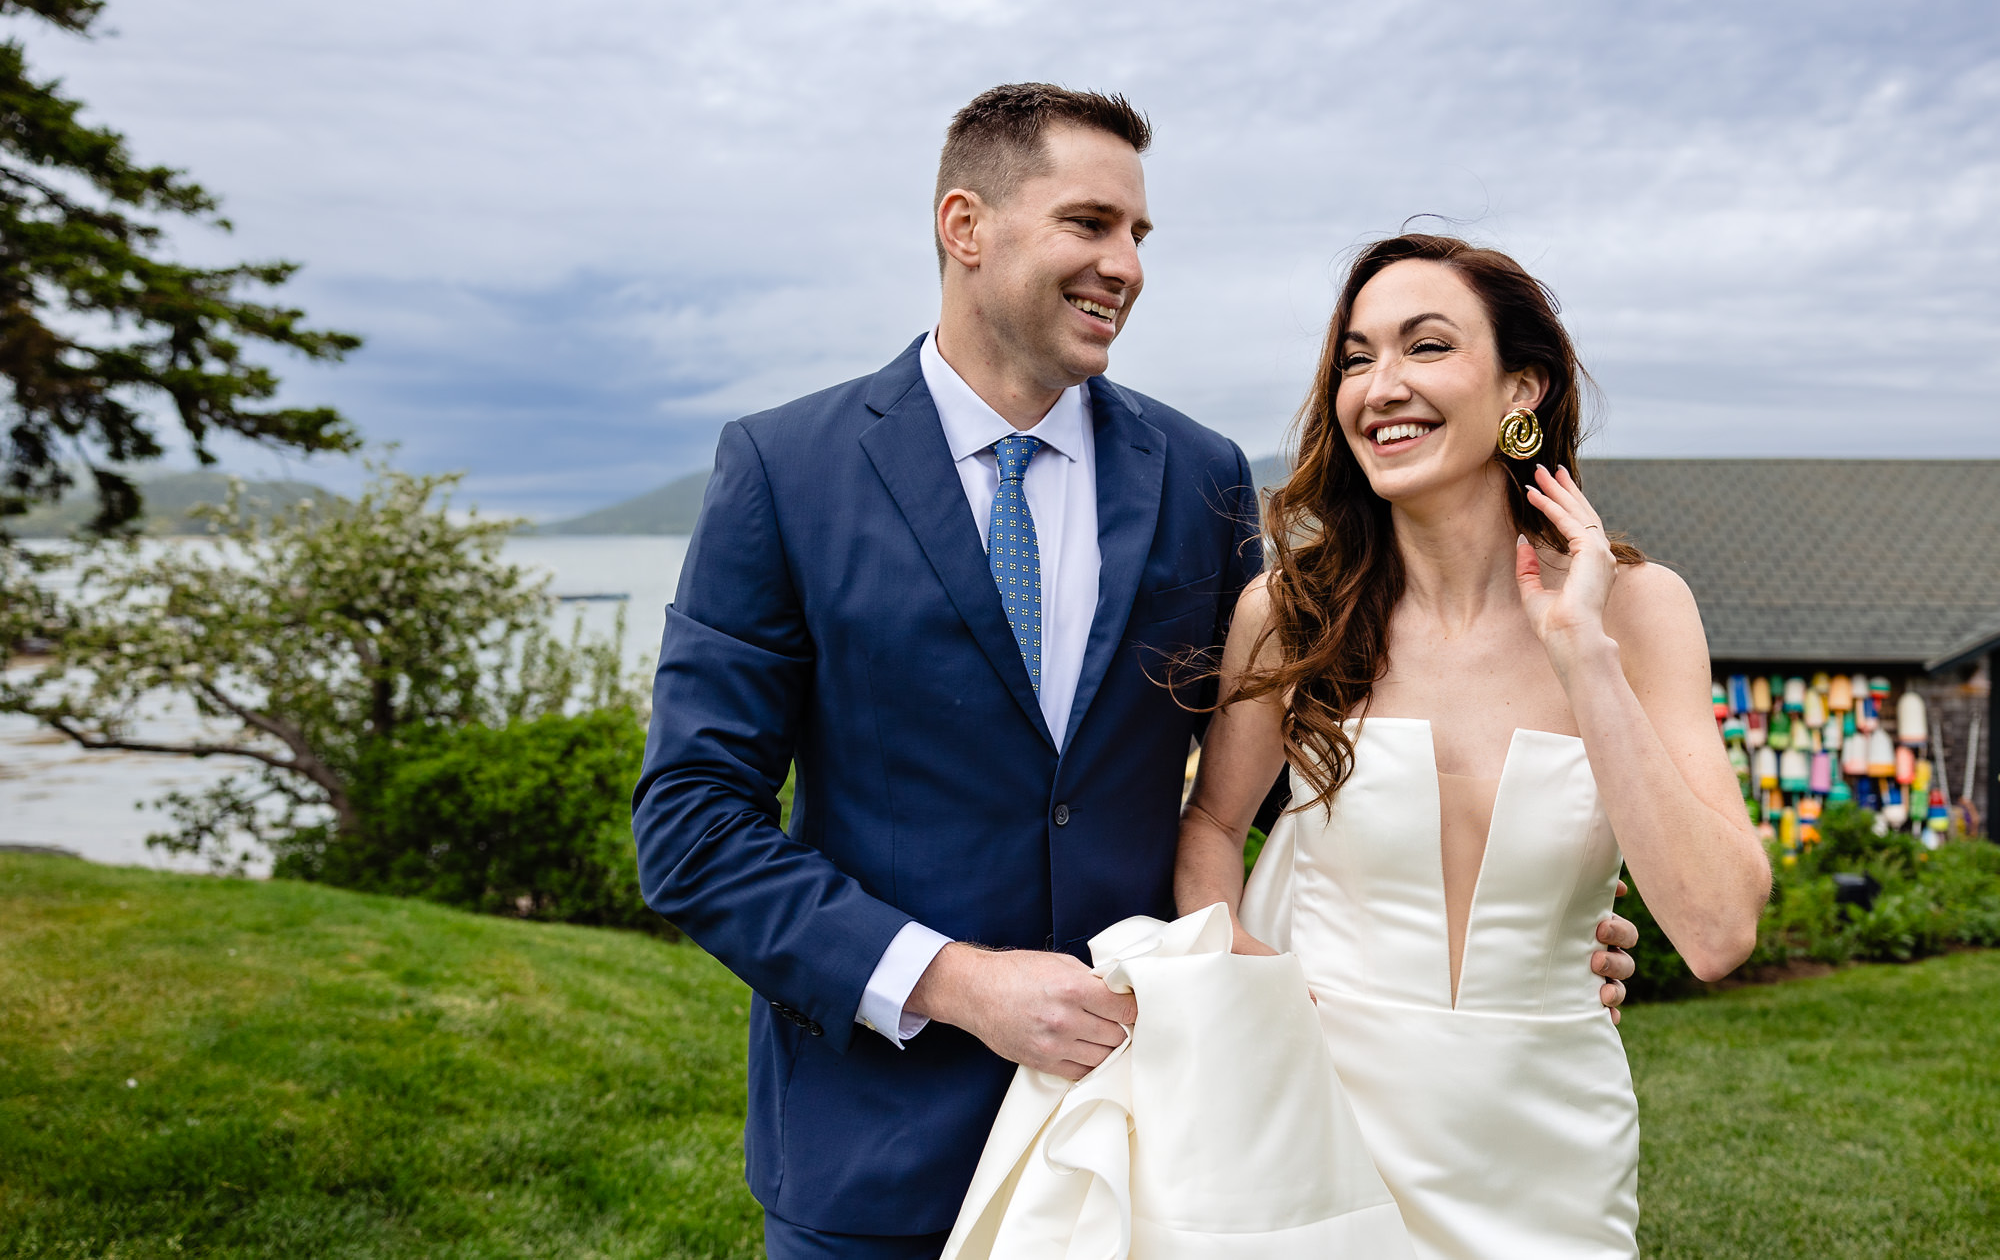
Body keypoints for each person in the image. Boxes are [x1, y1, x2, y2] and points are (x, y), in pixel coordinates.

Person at [634, 87, 1638, 1260]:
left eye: (1139, 237)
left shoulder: (1199, 479)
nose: (1125, 265)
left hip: (1153, 1139)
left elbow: (1297, 785)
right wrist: (955, 982)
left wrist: (1515, 902)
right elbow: (694, 825)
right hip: (873, 1155)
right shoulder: (784, 469)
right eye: (1090, 224)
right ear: (965, 226)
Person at [1174, 233, 1772, 1259]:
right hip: (1310, 1123)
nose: (1379, 386)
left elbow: (1715, 930)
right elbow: (1212, 829)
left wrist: (1584, 655)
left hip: (1544, 1150)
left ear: (1520, 387)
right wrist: (1251, 990)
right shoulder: (1287, 612)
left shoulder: (1641, 608)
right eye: (1355, 358)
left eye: (1425, 346)